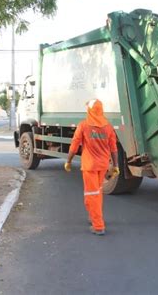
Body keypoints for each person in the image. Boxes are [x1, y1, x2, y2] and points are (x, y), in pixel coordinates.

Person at [65, 99, 119, 236]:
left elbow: (74, 145)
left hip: (89, 166)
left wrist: (68, 161)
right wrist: (115, 166)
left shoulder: (83, 126)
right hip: (102, 166)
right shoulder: (108, 127)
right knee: (97, 193)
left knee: (91, 195)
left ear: (89, 111)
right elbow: (113, 148)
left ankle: (98, 226)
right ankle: (94, 216)